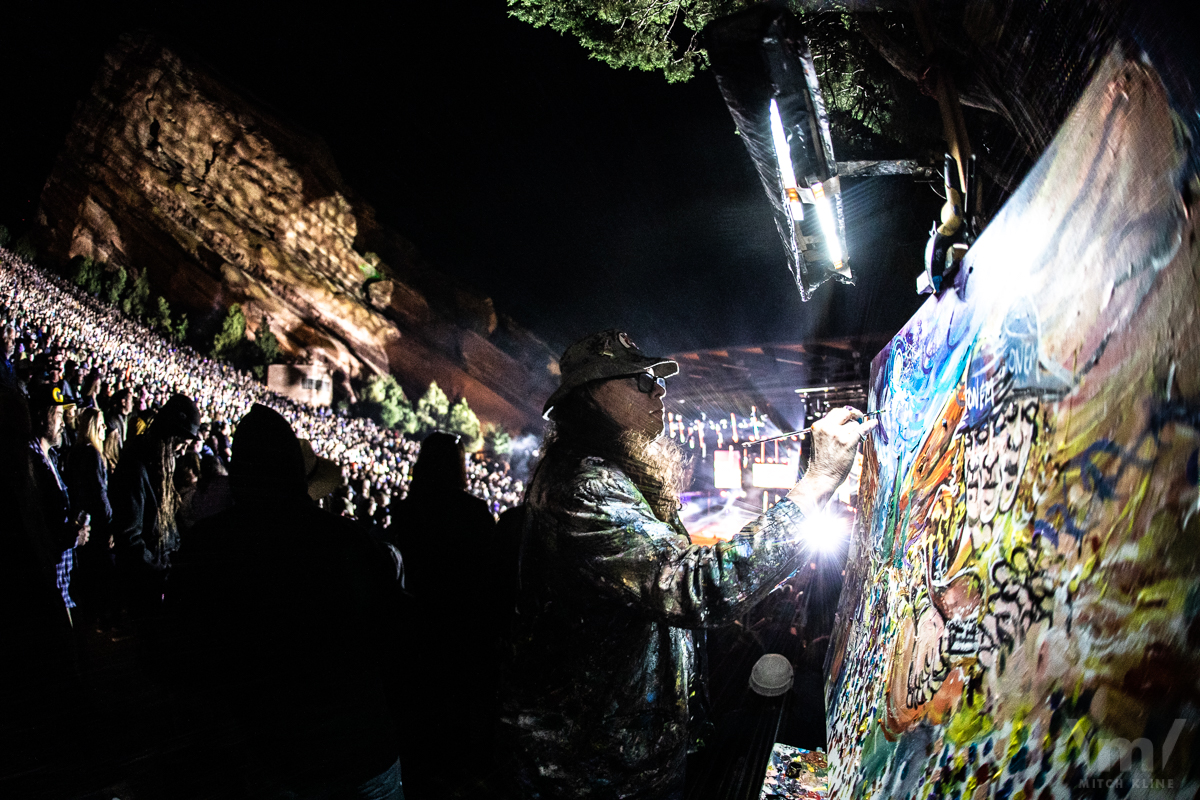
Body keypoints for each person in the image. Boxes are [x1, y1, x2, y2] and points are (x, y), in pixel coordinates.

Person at [497, 330, 872, 799]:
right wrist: (814, 484)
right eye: (641, 379)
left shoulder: (613, 474)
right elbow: (694, 585)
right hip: (591, 772)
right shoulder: (585, 488)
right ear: (591, 395)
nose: (660, 389)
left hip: (626, 756)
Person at [170, 404, 405, 799]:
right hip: (361, 750)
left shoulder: (210, 546)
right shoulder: (350, 542)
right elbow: (393, 636)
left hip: (276, 756)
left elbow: (177, 654)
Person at [387, 432, 497, 796]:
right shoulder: (474, 513)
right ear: (458, 466)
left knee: (425, 716)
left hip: (418, 627)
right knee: (458, 716)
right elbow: (489, 576)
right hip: (464, 628)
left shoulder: (405, 511)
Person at [110, 392, 200, 640]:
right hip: (145, 587)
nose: (182, 451)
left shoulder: (160, 465)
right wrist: (164, 571)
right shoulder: (137, 466)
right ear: (170, 435)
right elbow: (130, 539)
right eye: (181, 442)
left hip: (158, 581)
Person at [28, 384, 91, 621]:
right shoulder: (31, 463)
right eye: (57, 415)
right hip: (46, 583)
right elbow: (39, 526)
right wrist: (73, 537)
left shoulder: (49, 457)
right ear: (41, 417)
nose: (64, 423)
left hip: (60, 579)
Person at [64, 407, 114, 627]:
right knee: (101, 577)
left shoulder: (75, 452)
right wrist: (111, 523)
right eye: (101, 424)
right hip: (97, 528)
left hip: (84, 524)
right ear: (93, 426)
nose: (105, 428)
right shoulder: (92, 454)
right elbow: (100, 494)